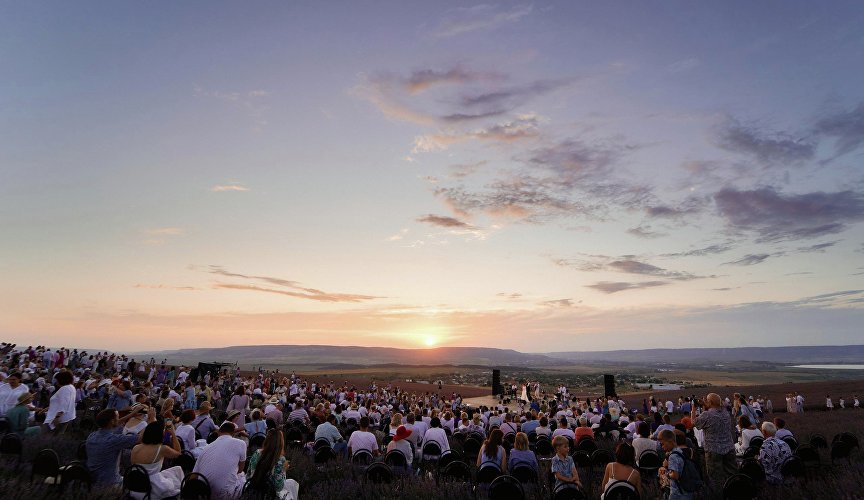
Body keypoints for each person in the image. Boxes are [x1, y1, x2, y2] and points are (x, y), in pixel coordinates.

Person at [87, 406, 154, 486]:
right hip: (110, 483)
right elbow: (140, 438)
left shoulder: (92, 435)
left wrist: (131, 414)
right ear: (112, 421)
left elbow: (114, 424)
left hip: (93, 479)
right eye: (117, 417)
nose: (119, 419)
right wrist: (151, 419)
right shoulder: (113, 440)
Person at [692, 393, 736, 500]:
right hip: (729, 448)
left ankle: (719, 497)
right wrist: (705, 406)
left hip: (713, 451)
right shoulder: (725, 413)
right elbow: (713, 411)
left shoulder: (707, 415)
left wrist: (693, 409)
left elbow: (694, 422)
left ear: (710, 402)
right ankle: (733, 494)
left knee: (715, 479)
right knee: (732, 474)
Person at [129, 420, 184, 499]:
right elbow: (178, 453)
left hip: (136, 486)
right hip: (151, 488)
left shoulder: (136, 448)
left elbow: (134, 465)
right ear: (160, 434)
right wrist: (173, 434)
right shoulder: (162, 449)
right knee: (178, 471)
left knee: (176, 470)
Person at [192, 422, 247, 500]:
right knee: (242, 475)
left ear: (219, 432)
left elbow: (194, 475)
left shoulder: (206, 448)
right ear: (233, 433)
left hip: (203, 493)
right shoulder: (241, 443)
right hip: (223, 494)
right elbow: (240, 469)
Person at [247, 429, 300, 500]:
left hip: (253, 492)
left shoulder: (257, 453)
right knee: (293, 485)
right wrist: (284, 470)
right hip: (270, 495)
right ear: (281, 443)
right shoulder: (281, 459)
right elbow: (278, 487)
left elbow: (248, 475)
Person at [658, 429, 691, 500]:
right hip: (685, 489)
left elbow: (675, 475)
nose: (662, 447)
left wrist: (666, 474)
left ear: (670, 441)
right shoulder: (679, 451)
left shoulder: (672, 456)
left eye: (662, 444)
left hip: (677, 492)